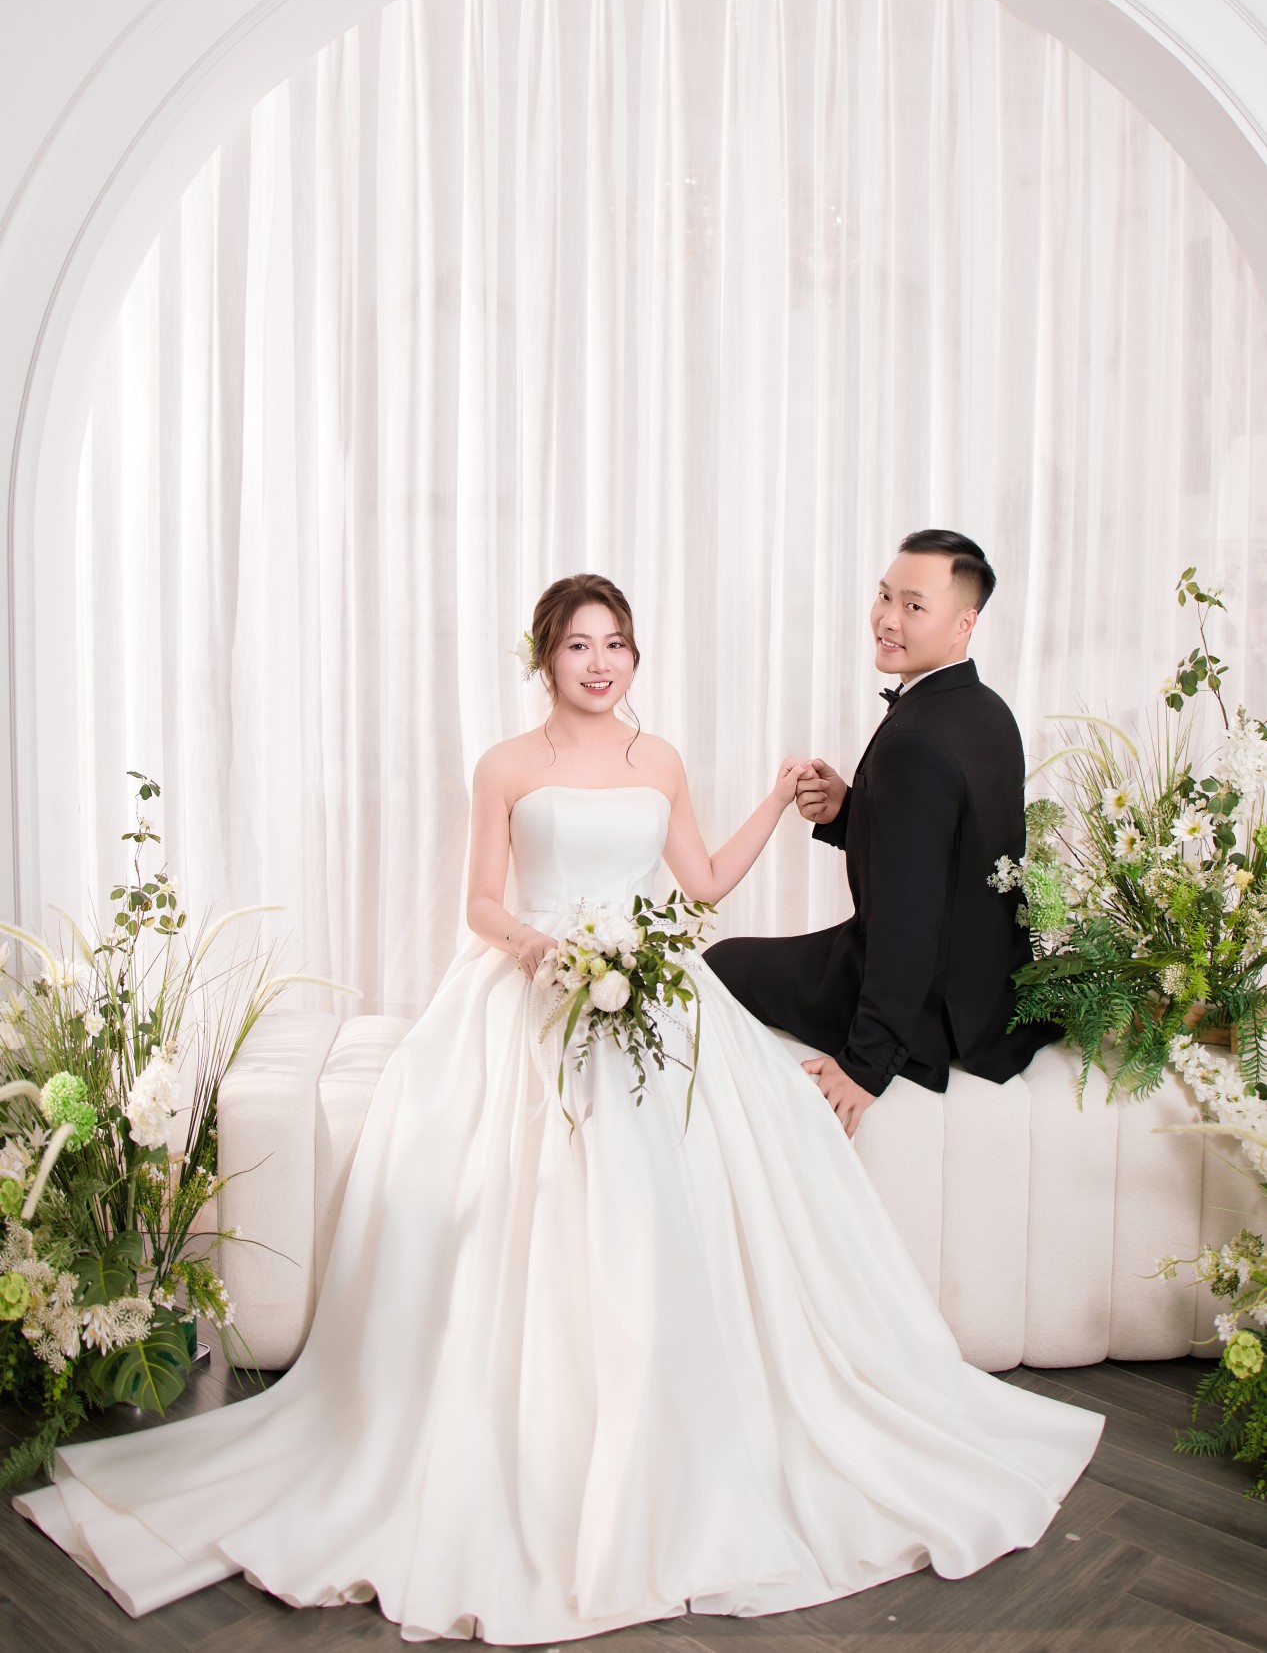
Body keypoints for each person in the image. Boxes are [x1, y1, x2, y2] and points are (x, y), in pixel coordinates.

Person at [15, 572, 1100, 1644]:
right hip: (528, 988)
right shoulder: (506, 765)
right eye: (579, 644)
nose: (600, 663)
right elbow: (482, 904)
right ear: (545, 657)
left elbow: (702, 885)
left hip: (649, 989)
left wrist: (777, 800)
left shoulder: (657, 759)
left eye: (615, 643)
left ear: (634, 656)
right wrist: (540, 948)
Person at [707, 530, 1064, 1140]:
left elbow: (908, 920)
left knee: (718, 964)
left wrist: (866, 1065)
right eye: (885, 596)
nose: (888, 619)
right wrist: (849, 811)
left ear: (964, 623)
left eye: (914, 606)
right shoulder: (988, 709)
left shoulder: (915, 738)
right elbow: (947, 850)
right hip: (989, 992)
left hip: (930, 1000)